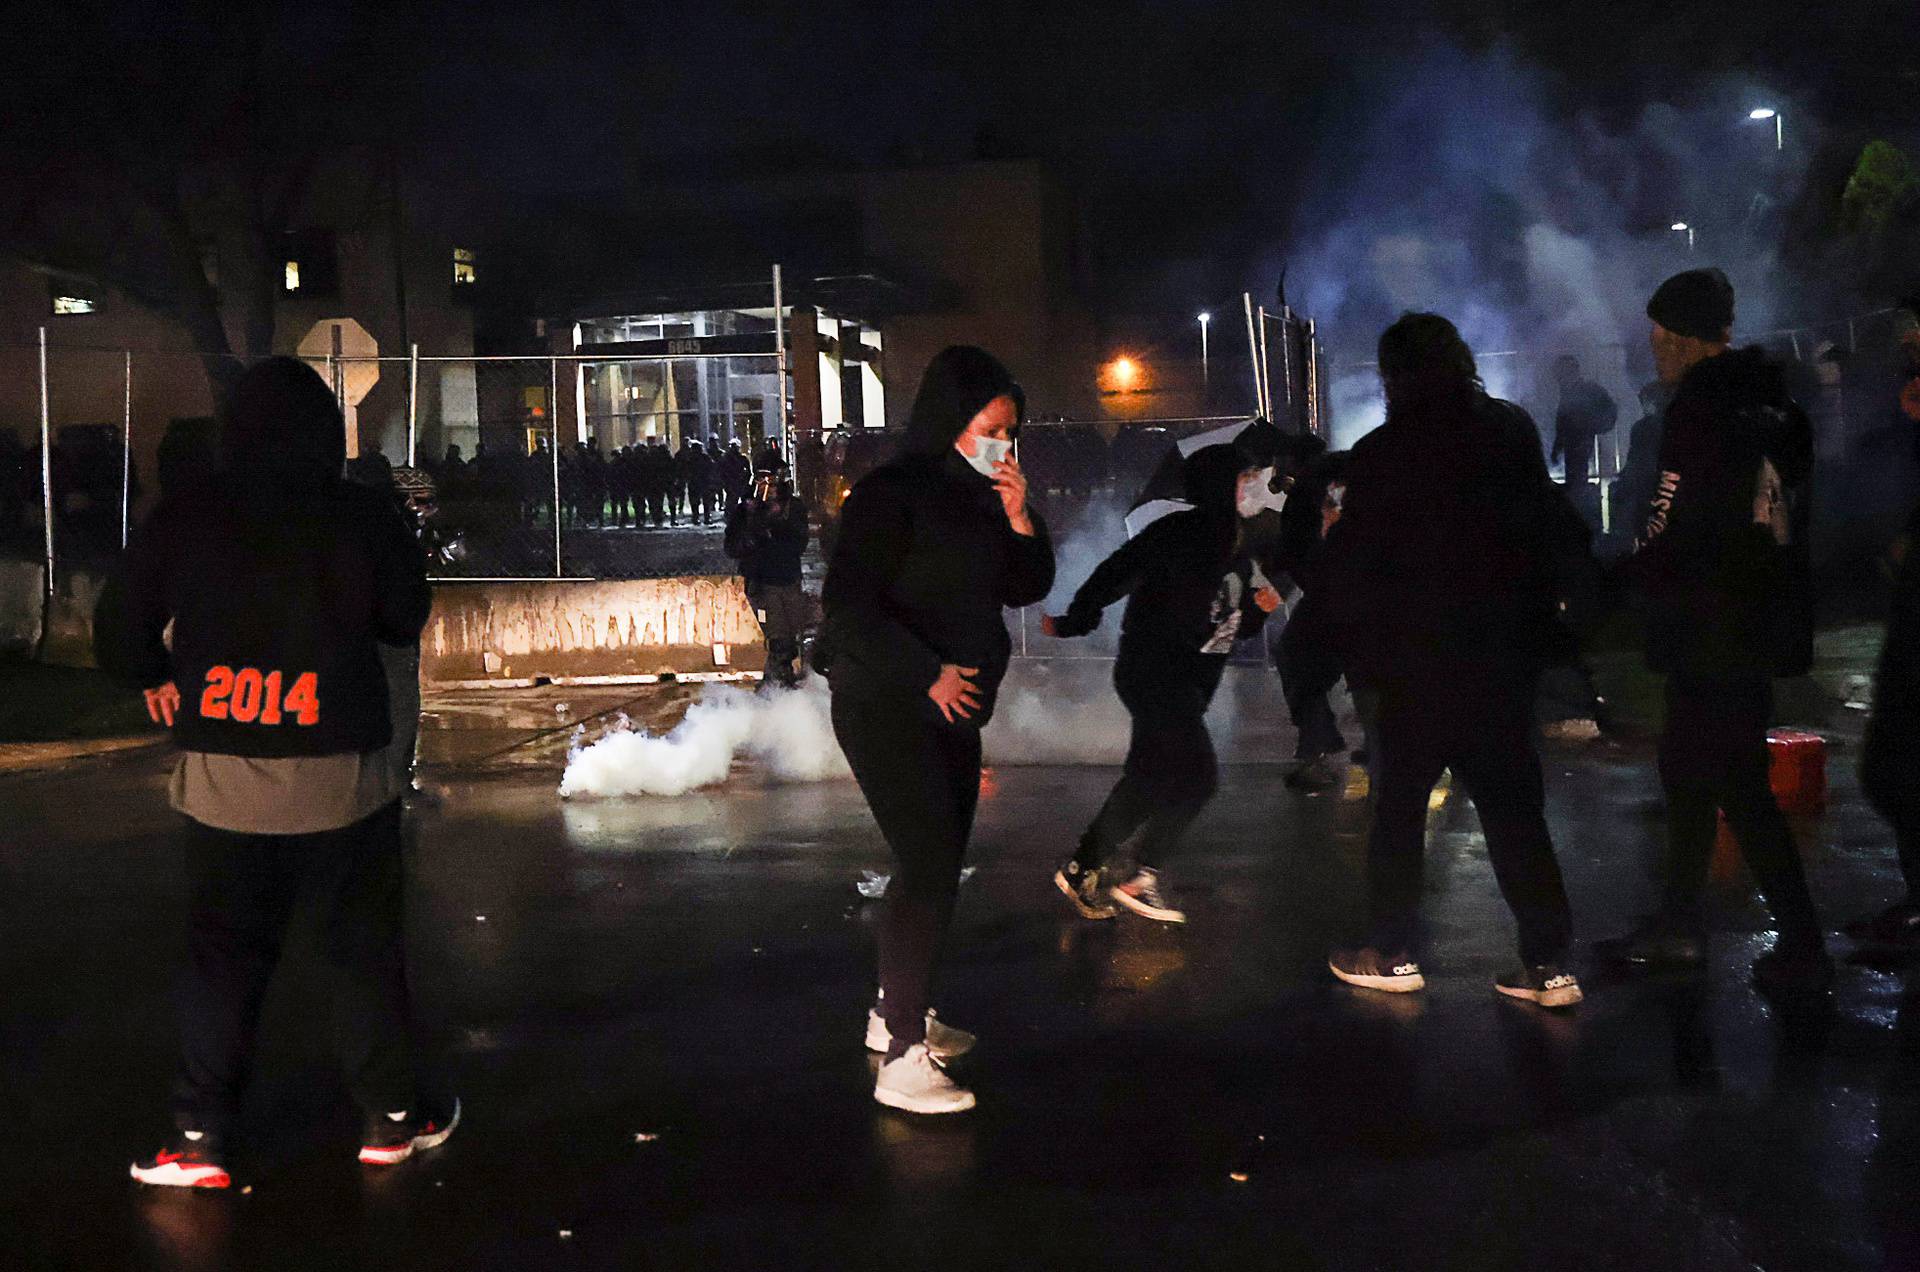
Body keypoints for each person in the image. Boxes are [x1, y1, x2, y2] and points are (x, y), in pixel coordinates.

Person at [94, 358, 456, 1189]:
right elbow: (405, 617)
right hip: (345, 779)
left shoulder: (189, 516)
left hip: (224, 777)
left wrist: (155, 672)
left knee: (222, 959)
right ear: (326, 432)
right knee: (362, 955)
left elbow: (119, 628)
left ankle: (197, 1136)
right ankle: (391, 1120)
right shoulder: (359, 514)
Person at [1320, 313, 1590, 1009]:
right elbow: (1548, 527)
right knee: (1513, 811)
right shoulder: (1509, 432)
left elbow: (1359, 568)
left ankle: (1390, 950)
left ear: (1393, 377)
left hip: (1415, 665)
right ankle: (1550, 964)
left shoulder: (1383, 453)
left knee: (1401, 810)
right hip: (1502, 658)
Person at [821, 345, 1054, 1114]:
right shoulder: (891, 494)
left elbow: (1026, 585)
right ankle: (901, 1058)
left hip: (955, 709)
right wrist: (928, 671)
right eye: (993, 427)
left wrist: (1020, 515)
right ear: (953, 419)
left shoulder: (990, 495)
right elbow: (850, 607)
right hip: (887, 701)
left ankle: (898, 1007)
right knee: (924, 857)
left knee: (942, 855)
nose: (1005, 444)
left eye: (1012, 432)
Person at [1597, 268, 1829, 995]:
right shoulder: (1782, 408)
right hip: (1757, 622)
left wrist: (1615, 580)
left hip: (1709, 623)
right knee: (1690, 772)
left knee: (1733, 781)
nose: (1653, 349)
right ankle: (1677, 923)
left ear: (1678, 336)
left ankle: (1800, 941)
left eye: (1658, 335)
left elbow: (1673, 519)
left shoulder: (1697, 410)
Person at [1044, 445, 1283, 924]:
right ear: (1220, 485)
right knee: (1198, 778)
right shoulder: (1178, 533)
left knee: (1148, 780)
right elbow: (1115, 572)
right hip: (1154, 671)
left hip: (1190, 682)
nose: (1257, 485)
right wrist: (1075, 619)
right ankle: (1140, 876)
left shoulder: (1242, 548)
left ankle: (1081, 868)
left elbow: (1232, 627)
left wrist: (1260, 608)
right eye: (1247, 476)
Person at [726, 463, 811, 688]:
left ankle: (780, 684)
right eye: (762, 482)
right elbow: (733, 546)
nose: (767, 489)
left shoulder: (793, 508)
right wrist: (753, 525)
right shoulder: (746, 510)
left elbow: (799, 543)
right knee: (779, 640)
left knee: (791, 640)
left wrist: (776, 524)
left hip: (788, 579)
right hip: (763, 583)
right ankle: (773, 689)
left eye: (772, 483)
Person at [1549, 354, 1619, 514]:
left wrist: (1589, 425)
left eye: (1561, 373)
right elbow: (1563, 425)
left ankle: (1581, 508)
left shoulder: (1584, 392)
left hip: (1583, 444)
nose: (1558, 378)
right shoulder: (1574, 393)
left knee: (1578, 477)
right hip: (1580, 445)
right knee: (1577, 477)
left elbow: (1564, 424)